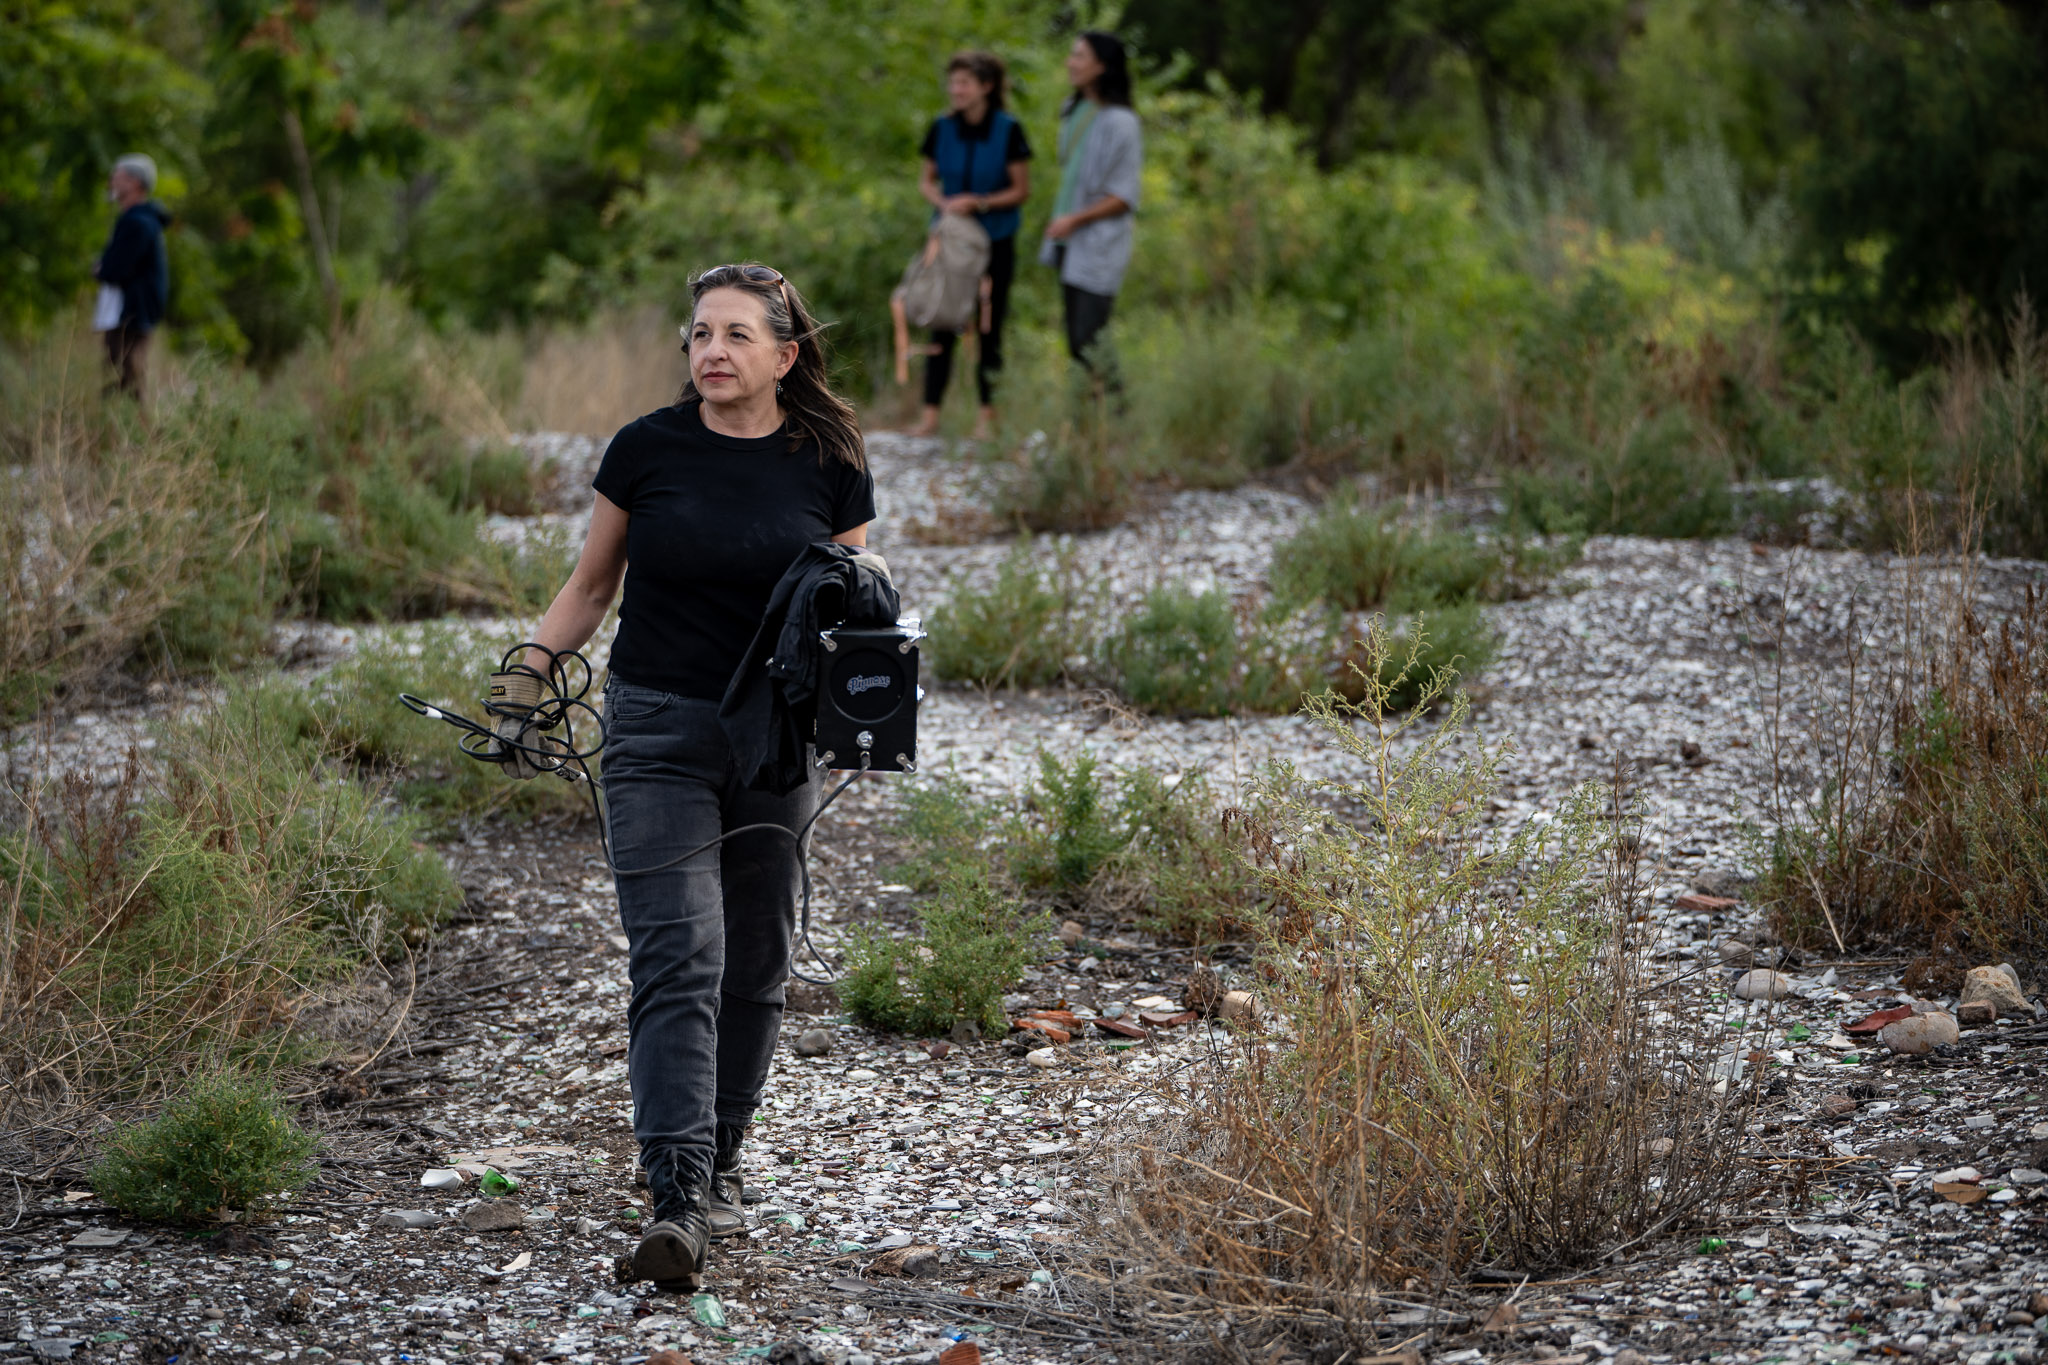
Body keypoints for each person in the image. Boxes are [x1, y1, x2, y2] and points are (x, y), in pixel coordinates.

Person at [510, 265, 876, 1290]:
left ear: (783, 355)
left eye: (735, 335)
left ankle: (720, 1163)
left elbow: (851, 607)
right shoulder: (645, 450)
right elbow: (590, 586)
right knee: (679, 955)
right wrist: (525, 679)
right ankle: (674, 1191)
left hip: (776, 741)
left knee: (756, 961)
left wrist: (867, 705)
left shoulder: (831, 462)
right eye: (698, 333)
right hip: (654, 731)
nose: (710, 351)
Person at [913, 51, 1032, 440]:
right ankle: (929, 416)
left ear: (986, 86)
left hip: (995, 239)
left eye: (964, 82)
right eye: (953, 82)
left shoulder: (1008, 130)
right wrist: (943, 203)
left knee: (989, 326)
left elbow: (1020, 190)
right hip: (951, 240)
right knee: (941, 319)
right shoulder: (942, 128)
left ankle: (987, 417)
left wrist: (979, 202)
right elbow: (927, 180)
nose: (956, 90)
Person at [1041, 31, 1141, 392]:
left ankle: (1114, 415)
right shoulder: (1073, 111)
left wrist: (1075, 219)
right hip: (1069, 241)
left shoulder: (1122, 123)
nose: (1071, 62)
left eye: (1080, 56)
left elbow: (1124, 196)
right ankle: (1089, 420)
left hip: (1099, 242)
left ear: (1102, 65)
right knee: (1075, 338)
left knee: (1090, 336)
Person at [93, 154, 171, 400]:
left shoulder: (138, 223)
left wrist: (102, 269)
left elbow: (115, 270)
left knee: (126, 379)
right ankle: (123, 433)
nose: (113, 180)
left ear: (136, 183)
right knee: (122, 377)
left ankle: (135, 434)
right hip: (132, 312)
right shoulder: (139, 220)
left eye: (119, 175)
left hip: (131, 314)